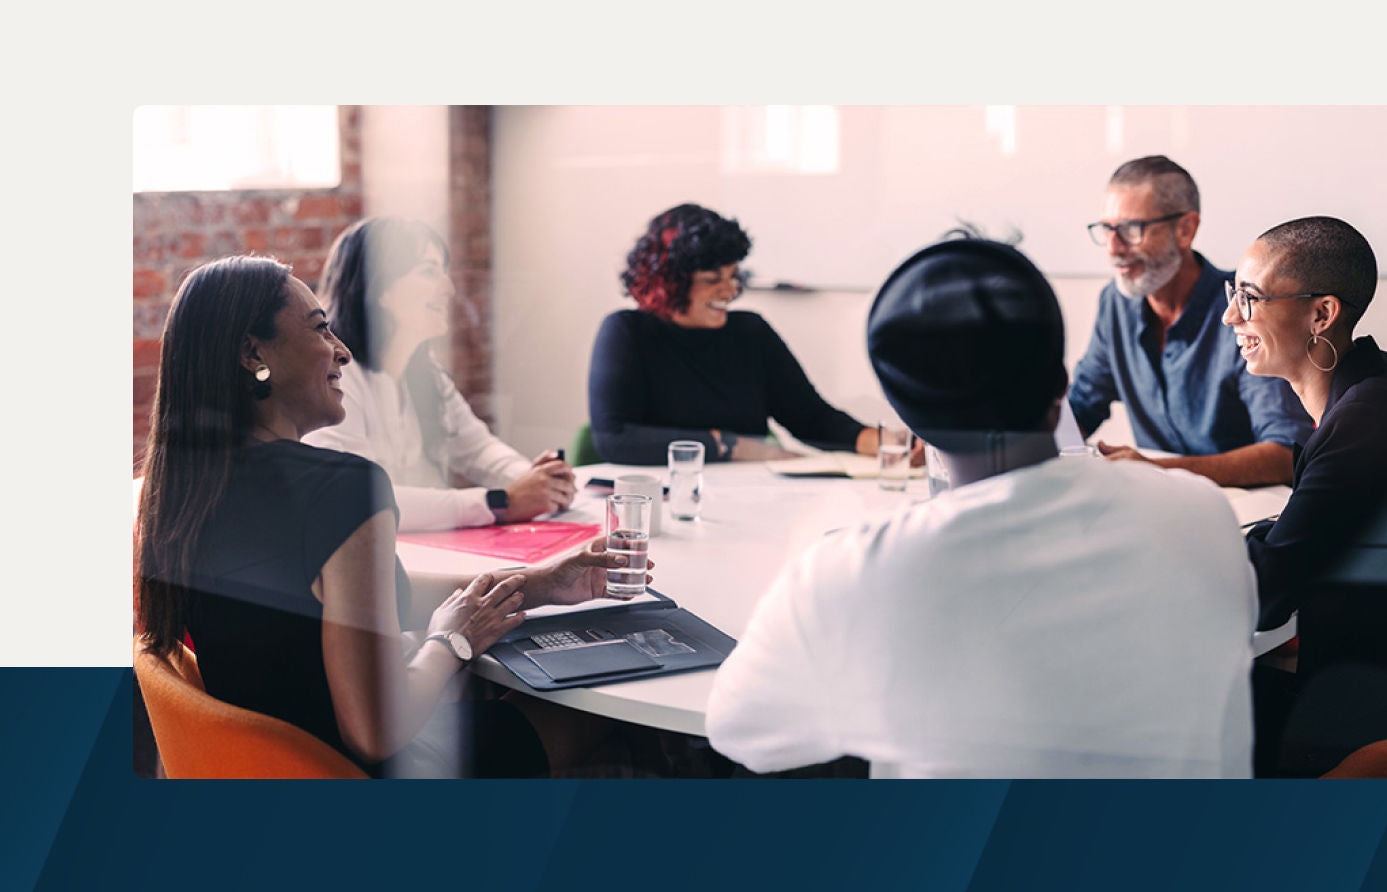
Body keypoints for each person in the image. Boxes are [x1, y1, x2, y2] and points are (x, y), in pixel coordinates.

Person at [705, 236, 1258, 778]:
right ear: (1062, 384)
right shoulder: (1202, 516)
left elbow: (737, 731)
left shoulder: (851, 575)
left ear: (905, 415)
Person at [134, 256, 635, 777]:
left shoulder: (182, 492)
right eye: (320, 328)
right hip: (365, 784)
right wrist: (452, 639)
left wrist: (541, 585)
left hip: (271, 779)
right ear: (252, 352)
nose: (342, 351)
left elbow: (361, 604)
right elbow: (375, 731)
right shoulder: (341, 488)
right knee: (600, 708)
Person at [1222, 217, 1387, 770]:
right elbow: (1309, 536)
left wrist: (1181, 534)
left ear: (1322, 314)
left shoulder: (1367, 414)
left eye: (1250, 298)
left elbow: (1268, 591)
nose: (1233, 315)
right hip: (1369, 670)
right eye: (1234, 295)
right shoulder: (1371, 384)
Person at [303, 217, 576, 531]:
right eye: (428, 271)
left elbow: (478, 449)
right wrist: (500, 501)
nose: (449, 288)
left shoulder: (425, 371)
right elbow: (358, 499)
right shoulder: (335, 379)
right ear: (380, 287)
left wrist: (537, 480)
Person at [589, 203, 905, 466]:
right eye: (712, 278)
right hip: (667, 500)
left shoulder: (750, 332)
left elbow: (811, 418)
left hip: (750, 498)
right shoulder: (628, 332)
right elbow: (614, 438)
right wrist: (732, 446)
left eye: (733, 276)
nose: (729, 290)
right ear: (666, 282)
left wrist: (885, 443)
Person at [1068, 156, 1312, 486]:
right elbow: (1081, 406)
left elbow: (1286, 452)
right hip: (1156, 503)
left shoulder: (1245, 309)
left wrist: (1160, 471)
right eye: (1107, 229)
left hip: (1245, 513)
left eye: (1130, 229)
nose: (1113, 248)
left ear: (1185, 229)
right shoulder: (1115, 303)